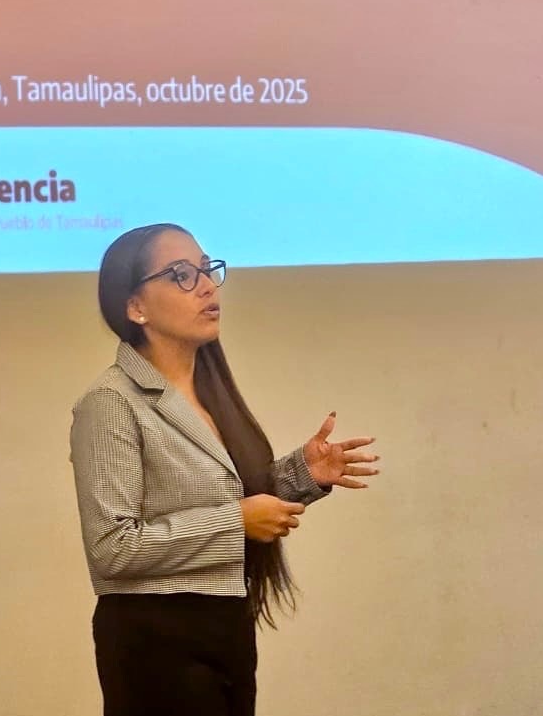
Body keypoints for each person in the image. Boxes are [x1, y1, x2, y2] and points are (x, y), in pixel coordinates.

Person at [70, 223, 380, 716]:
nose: (207, 286)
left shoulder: (208, 395)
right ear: (135, 307)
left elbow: (226, 501)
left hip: (226, 626)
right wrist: (235, 522)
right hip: (155, 640)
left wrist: (304, 474)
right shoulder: (111, 402)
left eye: (207, 269)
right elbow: (112, 548)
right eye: (181, 274)